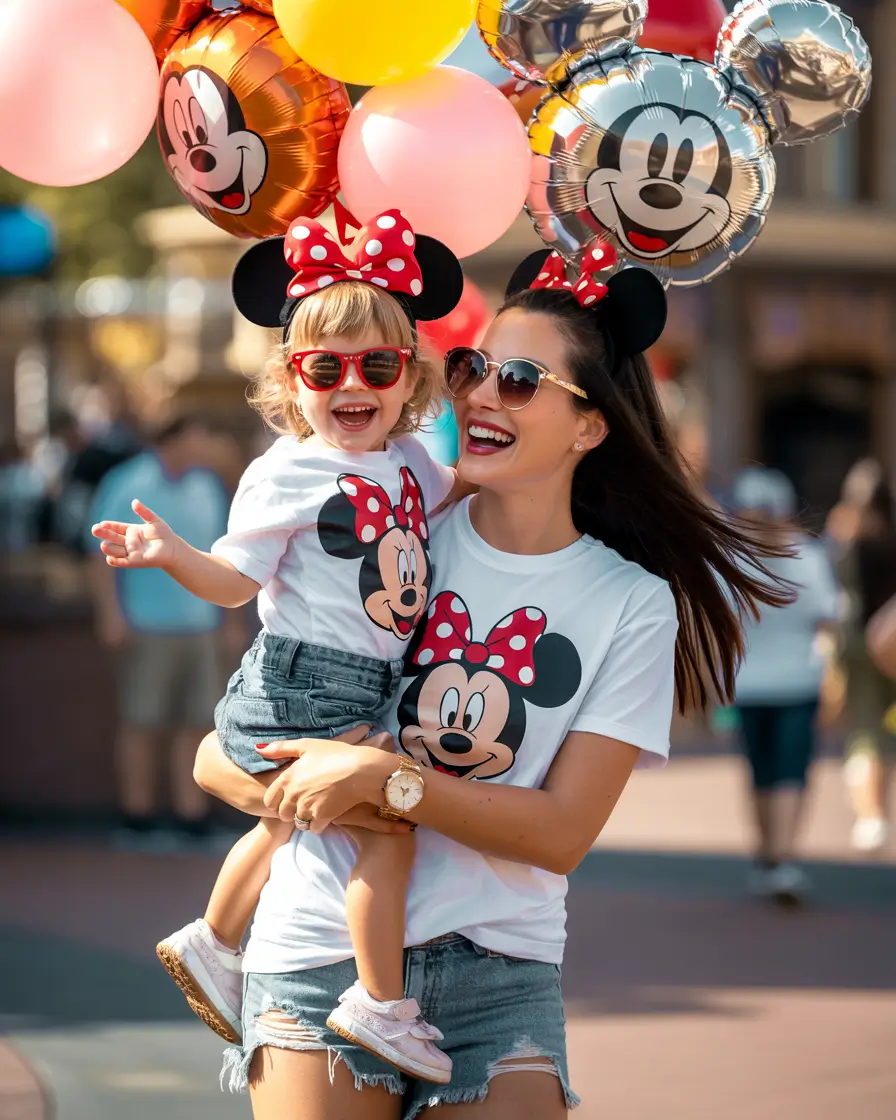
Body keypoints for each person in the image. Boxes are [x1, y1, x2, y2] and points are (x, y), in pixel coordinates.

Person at [188, 243, 790, 1120]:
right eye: (472, 366)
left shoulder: (631, 603)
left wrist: (380, 780)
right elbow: (222, 751)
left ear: (589, 426)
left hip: (502, 967)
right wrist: (274, 773)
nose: (476, 393)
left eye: (518, 378)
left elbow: (560, 835)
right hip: (320, 948)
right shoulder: (394, 521)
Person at [92, 210, 469, 1083]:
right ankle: (381, 1003)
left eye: (377, 366)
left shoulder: (411, 458)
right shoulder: (289, 469)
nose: (352, 384)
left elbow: (469, 499)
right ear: (291, 380)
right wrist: (173, 556)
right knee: (388, 830)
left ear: (406, 376)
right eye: (324, 367)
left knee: (294, 816)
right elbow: (236, 578)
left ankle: (215, 941)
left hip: (365, 683)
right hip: (303, 680)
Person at [87, 414, 230, 843]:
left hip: (201, 626)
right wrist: (111, 614)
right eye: (200, 432)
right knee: (142, 722)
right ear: (178, 436)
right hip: (147, 626)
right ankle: (138, 818)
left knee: (196, 722)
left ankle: (191, 819)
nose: (206, 442)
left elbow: (224, 554)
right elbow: (99, 552)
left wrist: (231, 619)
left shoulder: (207, 486)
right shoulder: (129, 480)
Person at [730, 467, 840, 902]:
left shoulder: (732, 557)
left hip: (754, 681)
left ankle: (771, 857)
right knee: (788, 770)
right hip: (794, 680)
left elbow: (716, 627)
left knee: (763, 771)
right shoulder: (805, 555)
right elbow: (830, 618)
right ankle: (779, 858)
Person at [825, 459, 896, 852]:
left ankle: (871, 817)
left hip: (856, 645)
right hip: (891, 642)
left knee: (865, 731)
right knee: (885, 730)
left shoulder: (845, 537)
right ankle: (877, 812)